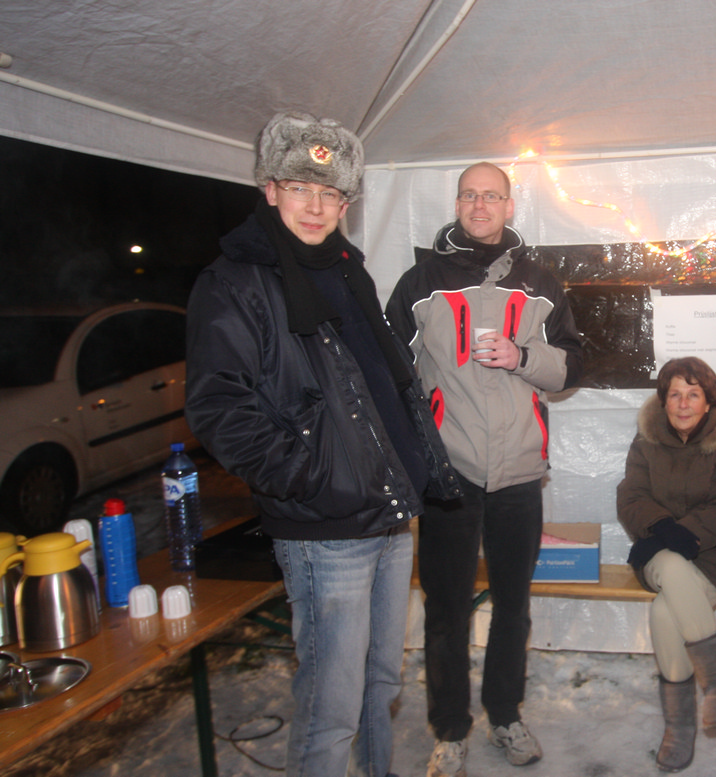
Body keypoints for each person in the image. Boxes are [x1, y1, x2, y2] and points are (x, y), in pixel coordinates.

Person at [184, 111, 461, 777]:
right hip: (326, 525)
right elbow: (220, 409)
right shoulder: (235, 282)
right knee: (331, 707)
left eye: (332, 193)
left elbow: (380, 384)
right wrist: (316, 479)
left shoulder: (346, 269)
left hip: (389, 511)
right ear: (269, 189)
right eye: (300, 188)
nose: (316, 206)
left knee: (381, 684)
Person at [385, 162, 584, 777]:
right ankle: (449, 728)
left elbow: (572, 366)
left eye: (491, 196)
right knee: (445, 609)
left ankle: (504, 714)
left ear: (509, 206)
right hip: (449, 473)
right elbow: (389, 371)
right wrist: (416, 445)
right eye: (470, 195)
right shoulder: (420, 283)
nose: (480, 205)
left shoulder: (541, 283)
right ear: (457, 203)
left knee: (513, 605)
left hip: (519, 471)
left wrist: (522, 356)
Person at [616, 357, 716, 772]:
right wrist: (662, 530)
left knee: (664, 612)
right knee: (672, 567)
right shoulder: (647, 439)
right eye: (674, 394)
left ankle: (679, 727)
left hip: (714, 553)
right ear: (663, 400)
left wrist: (679, 535)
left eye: (693, 394)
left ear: (709, 401)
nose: (683, 403)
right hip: (659, 552)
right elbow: (631, 495)